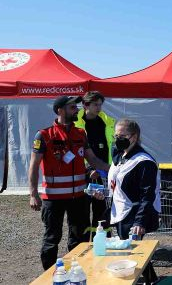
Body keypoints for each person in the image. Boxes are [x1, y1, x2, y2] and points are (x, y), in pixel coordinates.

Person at [28, 95, 111, 270]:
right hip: (53, 199)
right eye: (72, 107)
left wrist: (115, 170)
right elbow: (34, 166)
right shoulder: (44, 135)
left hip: (79, 197)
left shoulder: (80, 134)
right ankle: (50, 275)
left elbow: (93, 160)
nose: (77, 109)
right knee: (52, 238)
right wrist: (33, 194)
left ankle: (77, 271)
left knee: (79, 238)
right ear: (60, 110)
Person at [103, 118, 160, 282]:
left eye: (122, 136)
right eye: (115, 136)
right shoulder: (120, 155)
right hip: (120, 211)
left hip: (133, 213)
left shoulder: (144, 162)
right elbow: (117, 183)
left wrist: (139, 222)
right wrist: (103, 192)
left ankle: (147, 280)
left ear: (134, 137)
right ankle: (152, 279)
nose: (117, 139)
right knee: (131, 251)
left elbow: (147, 194)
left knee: (131, 252)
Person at [74, 91, 116, 237]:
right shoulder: (75, 124)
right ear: (85, 105)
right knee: (82, 213)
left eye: (100, 104)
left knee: (103, 213)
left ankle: (103, 244)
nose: (99, 108)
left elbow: (112, 148)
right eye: (95, 104)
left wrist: (108, 169)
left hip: (104, 174)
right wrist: (89, 169)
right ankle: (82, 247)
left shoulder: (107, 122)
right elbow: (77, 152)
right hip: (83, 176)